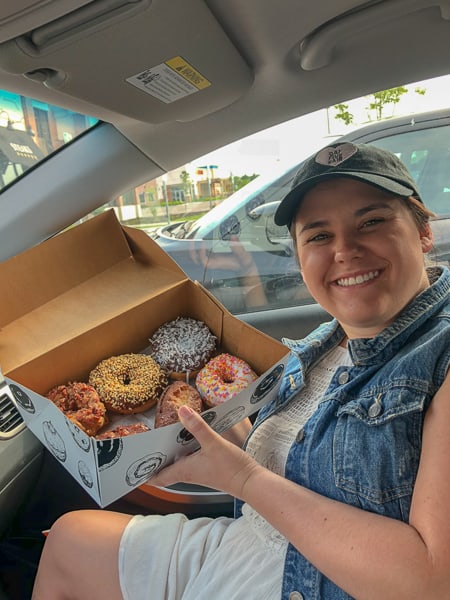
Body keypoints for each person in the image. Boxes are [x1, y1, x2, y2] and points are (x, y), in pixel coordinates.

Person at [32, 142, 450, 600]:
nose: (345, 250)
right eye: (318, 235)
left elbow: (430, 581)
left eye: (371, 222)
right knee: (69, 540)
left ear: (423, 230)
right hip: (254, 540)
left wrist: (243, 479)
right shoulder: (323, 345)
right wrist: (209, 438)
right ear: (298, 253)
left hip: (312, 583)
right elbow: (291, 465)